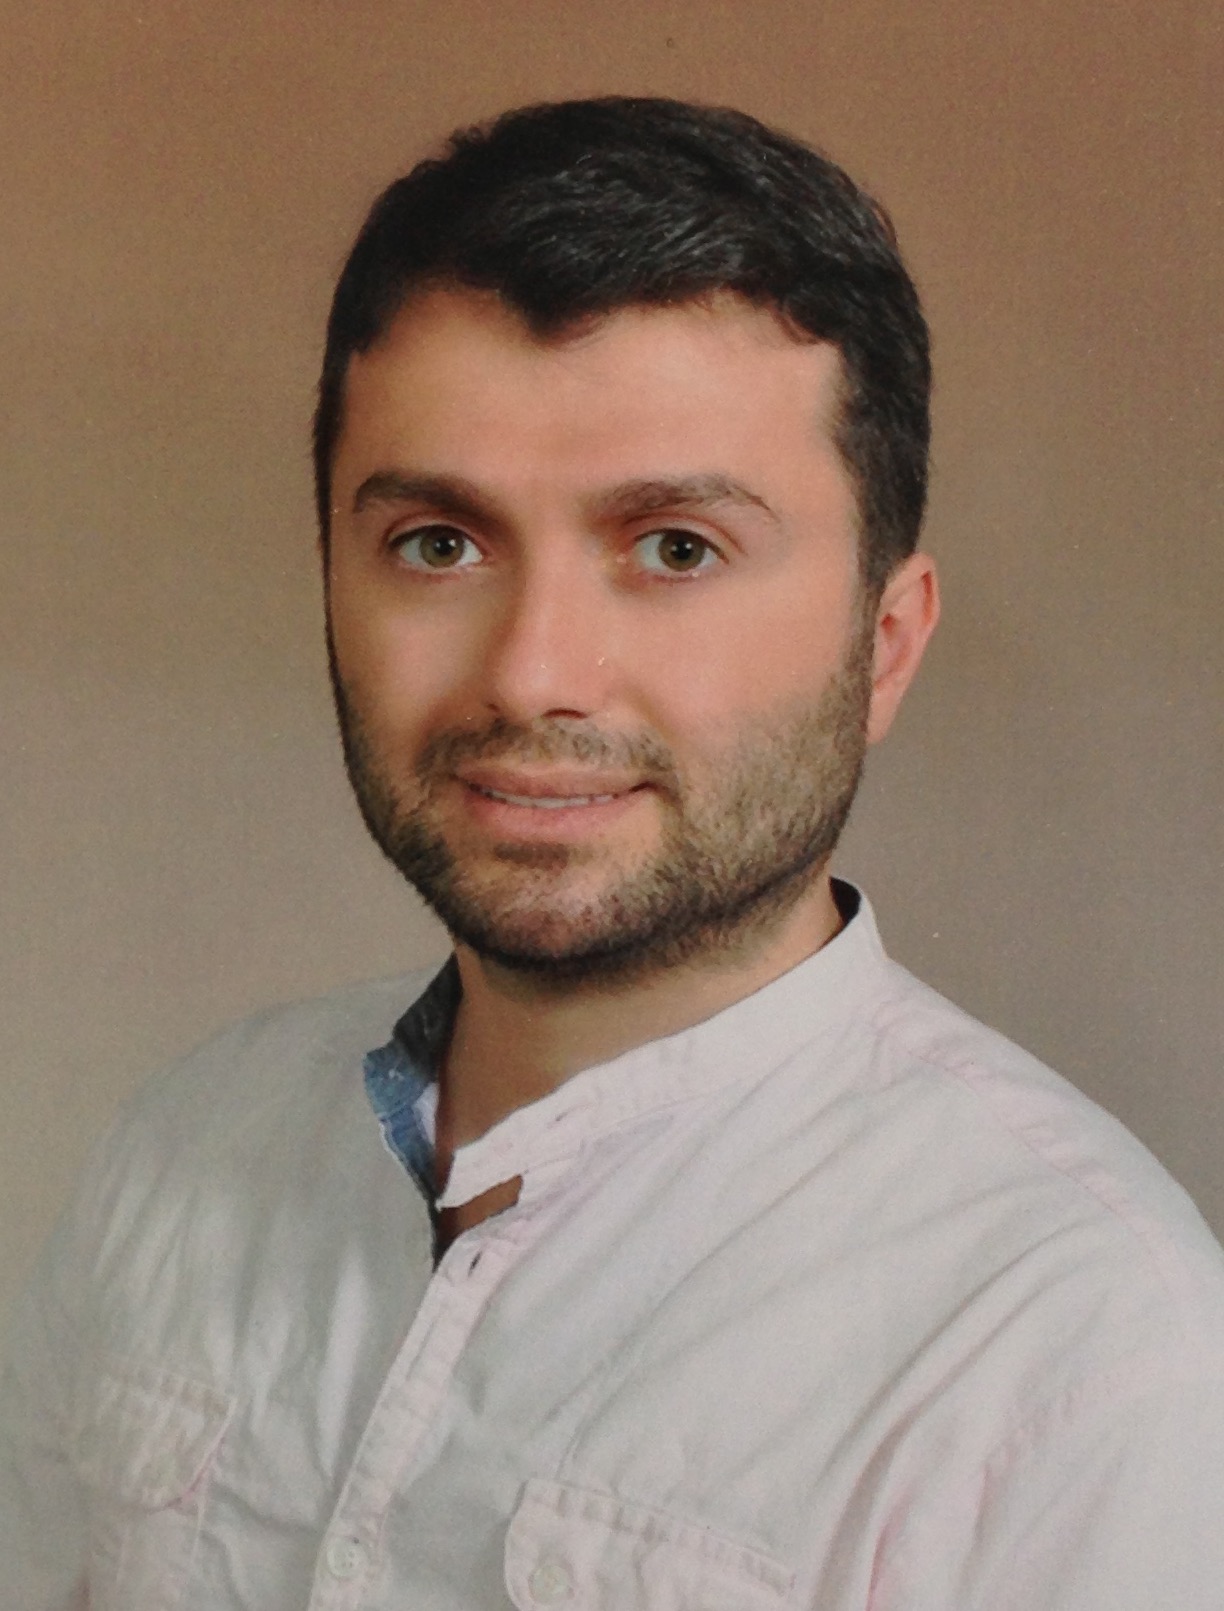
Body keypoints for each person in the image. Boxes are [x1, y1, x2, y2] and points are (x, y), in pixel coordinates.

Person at [3, 95, 1223, 1611]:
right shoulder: (187, 1149)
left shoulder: (1078, 1352)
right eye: (439, 543)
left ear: (886, 644)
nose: (530, 676)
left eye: (675, 549)